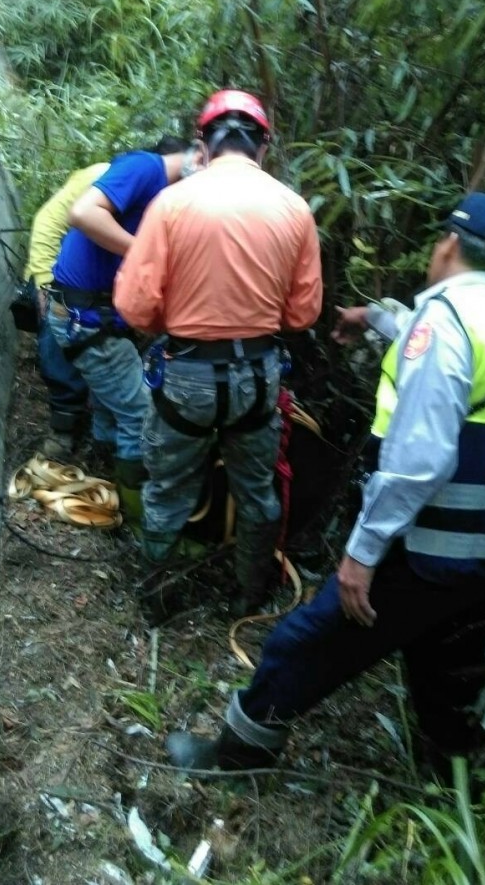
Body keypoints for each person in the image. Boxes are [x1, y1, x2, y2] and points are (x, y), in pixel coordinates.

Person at [165, 192, 485, 775]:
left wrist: (362, 555)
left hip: (421, 549)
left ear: (450, 244)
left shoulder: (445, 325)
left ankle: (240, 752)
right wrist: (378, 318)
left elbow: (418, 461)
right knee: (447, 665)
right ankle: (458, 773)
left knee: (303, 642)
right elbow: (438, 353)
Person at [114, 90, 323, 616]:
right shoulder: (294, 209)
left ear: (203, 143)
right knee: (258, 491)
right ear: (263, 147)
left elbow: (135, 307)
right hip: (258, 377)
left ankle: (158, 600)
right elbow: (302, 315)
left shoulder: (173, 203)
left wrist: (179, 324)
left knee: (168, 491)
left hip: (187, 373)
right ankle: (250, 597)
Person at [46, 137, 197, 520]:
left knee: (116, 397)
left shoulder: (169, 197)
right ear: (200, 149)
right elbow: (82, 213)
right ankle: (134, 515)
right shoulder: (147, 167)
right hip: (85, 318)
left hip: (94, 316)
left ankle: (105, 460)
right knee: (139, 413)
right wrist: (144, 253)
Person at [24, 160, 110, 459]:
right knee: (56, 342)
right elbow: (48, 222)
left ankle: (100, 422)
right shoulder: (104, 177)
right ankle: (63, 428)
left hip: (96, 280)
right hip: (59, 276)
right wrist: (45, 283)